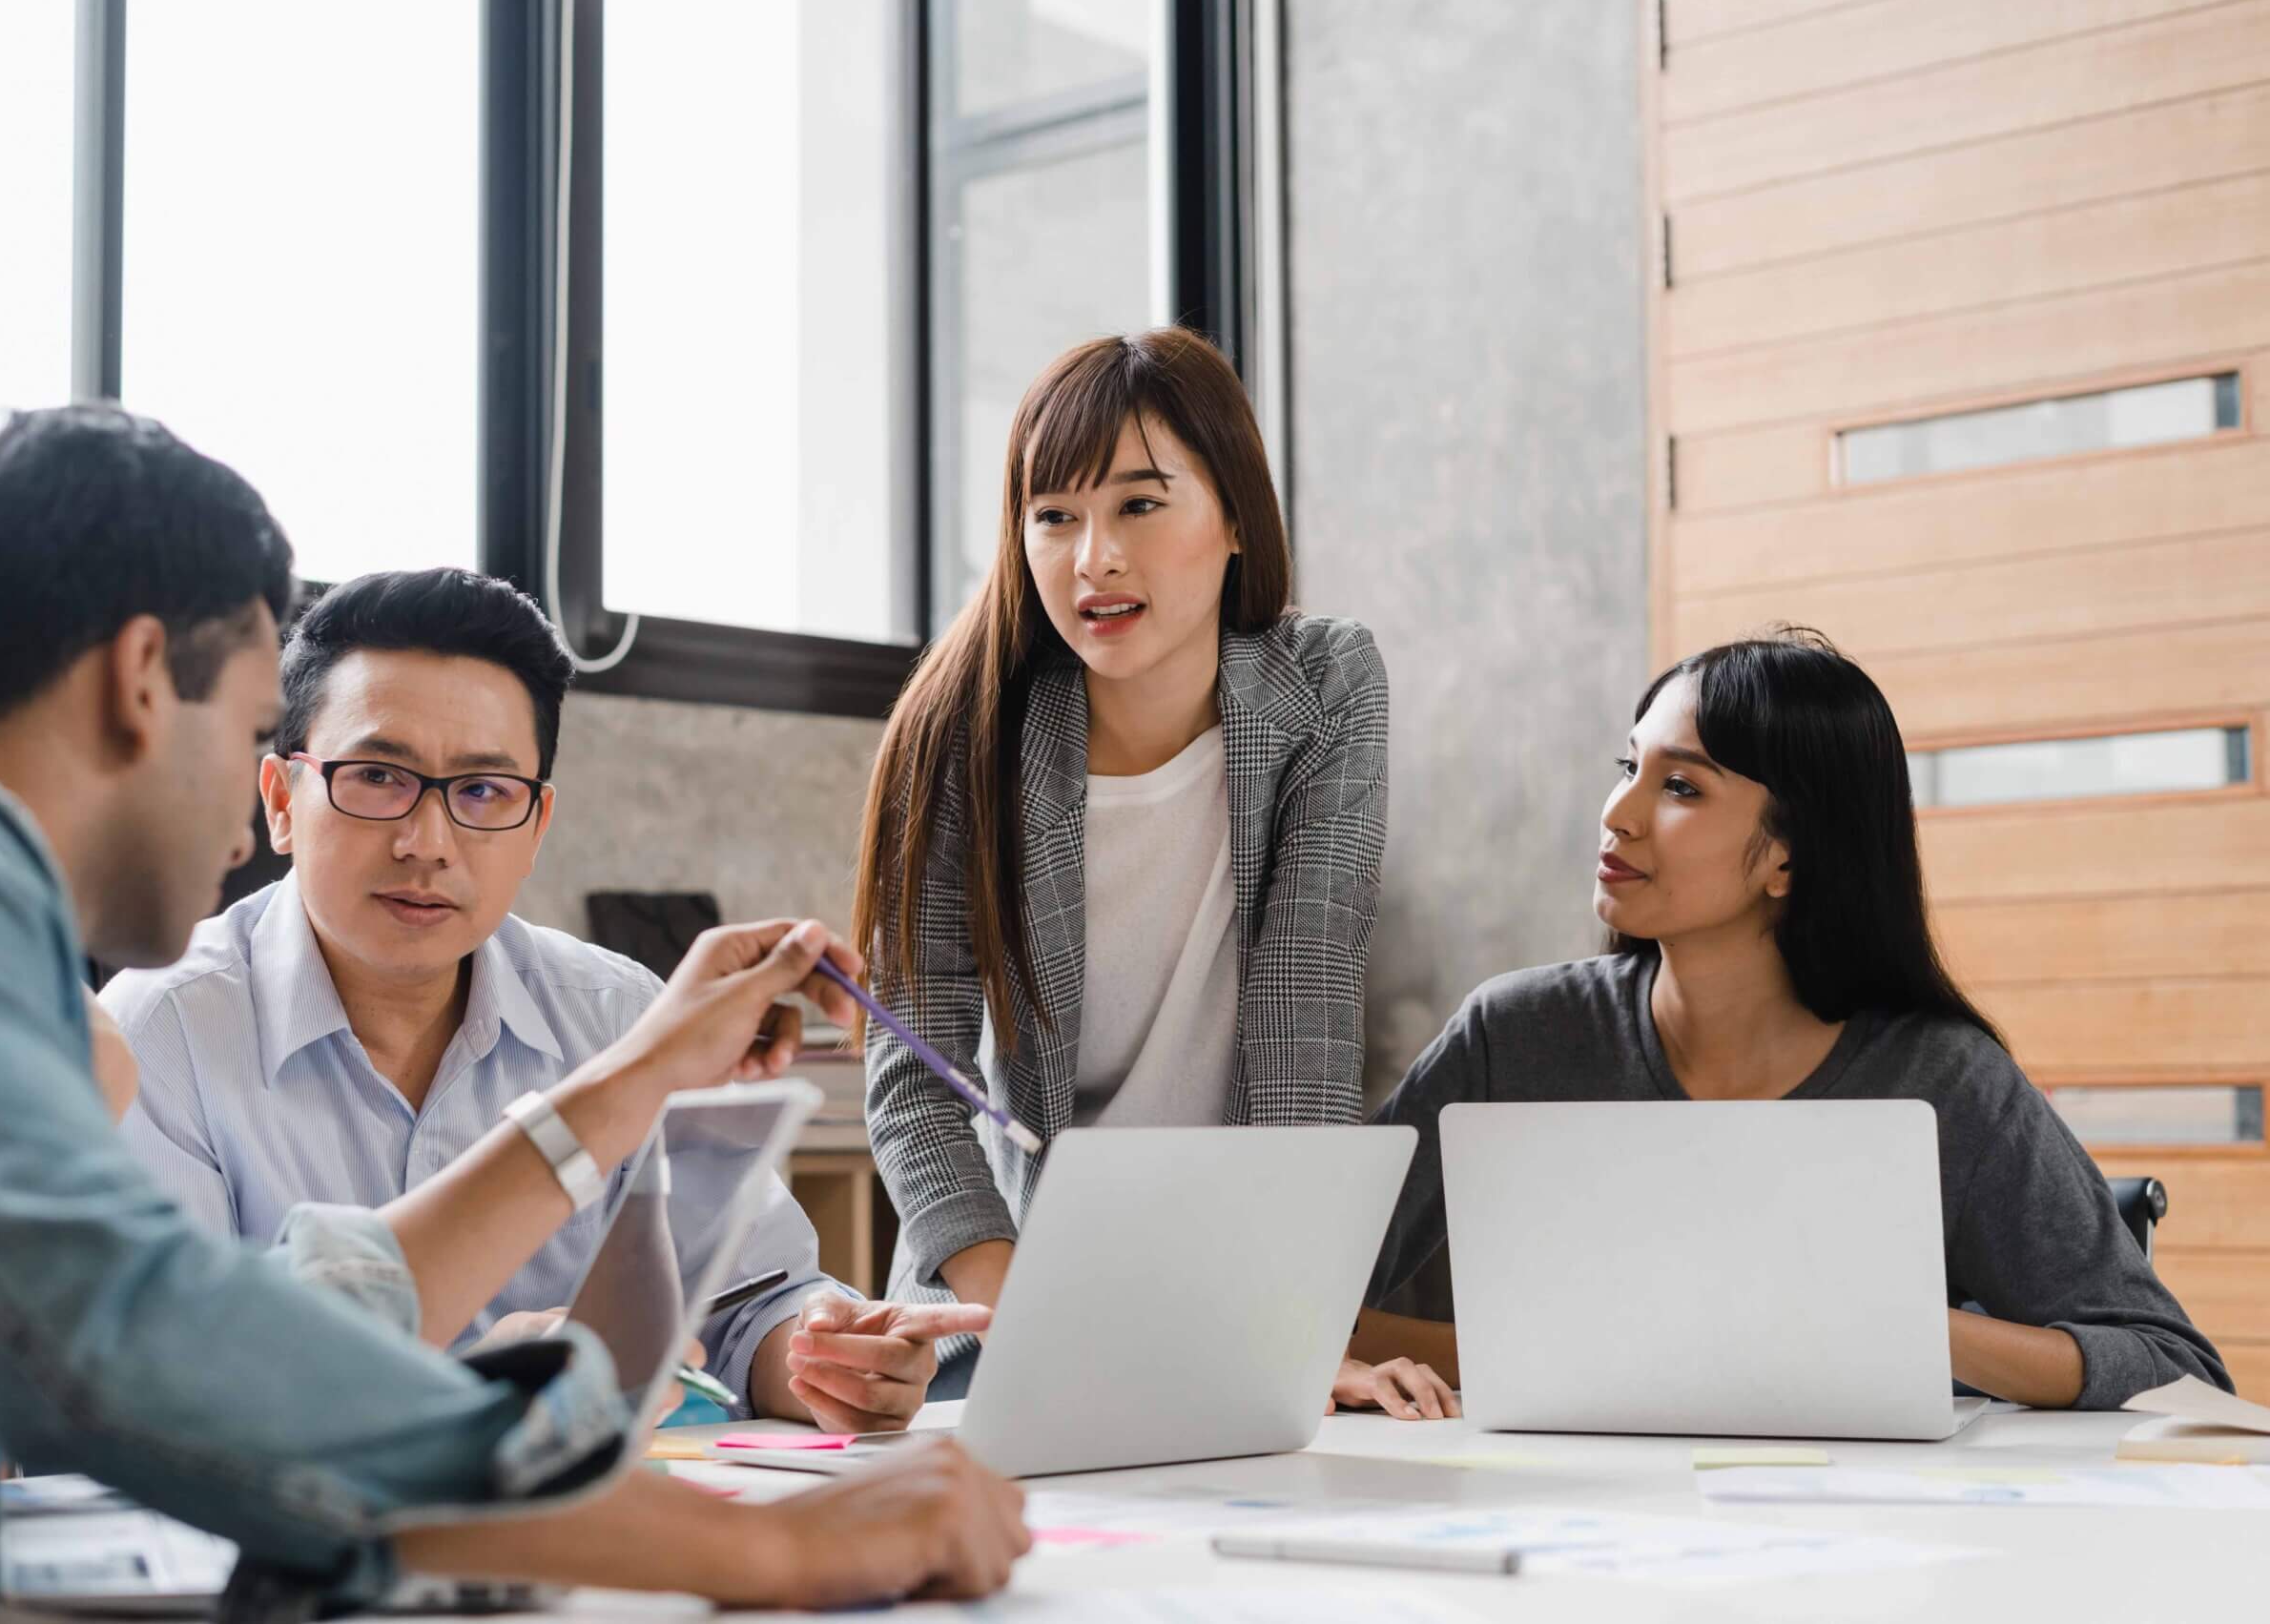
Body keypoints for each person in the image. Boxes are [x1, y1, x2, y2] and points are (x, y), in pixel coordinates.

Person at [0, 407, 1027, 1621]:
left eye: (482, 791)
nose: (246, 838)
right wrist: (766, 1554)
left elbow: (265, 1320)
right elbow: (142, 1347)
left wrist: (634, 1086)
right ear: (144, 680)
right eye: (256, 734)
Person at [107, 566, 984, 1429]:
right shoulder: (163, 1031)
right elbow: (168, 1395)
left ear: (536, 826)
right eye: (377, 777)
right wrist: (477, 1381)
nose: (428, 841)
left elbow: (751, 1305)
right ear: (282, 800)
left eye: (484, 791)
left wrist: (830, 1359)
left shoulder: (619, 1012)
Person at [1353, 628, 2229, 1409]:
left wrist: (1895, 1329)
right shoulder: (1514, 1036)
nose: (1617, 815)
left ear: (1786, 855)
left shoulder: (1943, 1081)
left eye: (1682, 787)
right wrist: (1503, 1360)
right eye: (1628, 769)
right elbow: (1301, 1305)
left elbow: (2173, 1368)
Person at [851, 326, 1434, 1415]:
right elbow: (913, 1080)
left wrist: (1293, 1338)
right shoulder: (961, 727)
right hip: (1009, 1302)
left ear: (1232, 522)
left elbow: (1309, 1009)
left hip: (1230, 1304)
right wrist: (1045, 1331)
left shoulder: (1325, 686)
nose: (1093, 559)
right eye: (1054, 517)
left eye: (1139, 506)